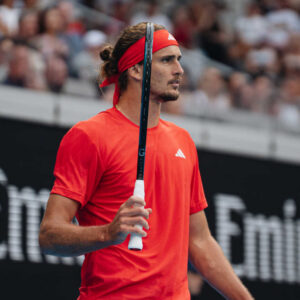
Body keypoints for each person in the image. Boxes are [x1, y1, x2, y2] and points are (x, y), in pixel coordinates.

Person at [39, 22, 254, 300]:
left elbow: (199, 240)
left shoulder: (183, 142)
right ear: (136, 69)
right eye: (167, 60)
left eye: (179, 59)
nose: (180, 70)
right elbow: (49, 235)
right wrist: (108, 233)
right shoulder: (90, 135)